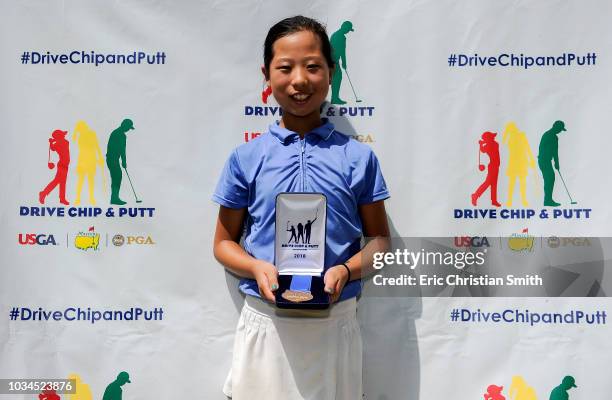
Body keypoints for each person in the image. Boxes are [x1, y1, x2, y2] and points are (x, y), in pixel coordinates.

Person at [213, 16, 390, 400]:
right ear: (267, 74)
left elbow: (379, 241)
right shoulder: (247, 158)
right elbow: (223, 243)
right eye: (285, 67)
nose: (299, 80)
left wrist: (346, 268)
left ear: (331, 72)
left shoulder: (358, 158)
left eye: (312, 66)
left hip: (335, 324)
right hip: (266, 322)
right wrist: (255, 267)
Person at [502, 122, 536, 207]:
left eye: (512, 128)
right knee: (512, 182)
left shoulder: (521, 135)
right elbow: (503, 144)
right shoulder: (509, 138)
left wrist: (531, 159)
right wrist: (506, 132)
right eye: (510, 129)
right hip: (513, 162)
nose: (512, 130)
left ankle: (523, 200)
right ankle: (509, 200)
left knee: (522, 182)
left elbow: (527, 147)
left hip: (521, 162)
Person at [73, 120, 104, 205]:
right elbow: (74, 140)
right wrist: (76, 131)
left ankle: (90, 198)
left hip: (90, 159)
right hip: (84, 159)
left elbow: (96, 145)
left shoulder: (91, 134)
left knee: (89, 179)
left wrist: (100, 157)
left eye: (80, 128)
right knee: (82, 179)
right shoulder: (80, 135)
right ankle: (79, 198)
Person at [106, 119, 135, 205]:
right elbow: (121, 149)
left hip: (113, 159)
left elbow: (122, 150)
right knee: (117, 176)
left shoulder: (118, 133)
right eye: (128, 128)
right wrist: (123, 161)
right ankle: (114, 198)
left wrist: (123, 161)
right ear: (124, 125)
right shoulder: (119, 134)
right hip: (112, 159)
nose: (128, 129)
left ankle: (114, 198)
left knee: (117, 177)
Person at [538, 120, 566, 207]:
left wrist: (556, 163)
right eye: (560, 129)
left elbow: (555, 151)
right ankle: (547, 201)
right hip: (544, 160)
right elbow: (543, 149)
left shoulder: (553, 136)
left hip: (546, 161)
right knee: (549, 179)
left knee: (550, 179)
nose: (560, 131)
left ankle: (548, 200)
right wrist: (554, 162)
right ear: (555, 127)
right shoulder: (548, 135)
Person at [39, 129, 70, 205]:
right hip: (62, 165)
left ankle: (61, 198)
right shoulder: (61, 143)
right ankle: (43, 193)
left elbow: (53, 148)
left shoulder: (63, 142)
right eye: (62, 135)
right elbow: (54, 147)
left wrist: (51, 142)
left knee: (62, 182)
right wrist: (53, 142)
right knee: (57, 181)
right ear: (60, 137)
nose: (64, 136)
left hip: (65, 165)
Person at [471, 131, 501, 207]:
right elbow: (483, 149)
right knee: (488, 183)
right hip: (493, 167)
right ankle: (475, 195)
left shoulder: (493, 144)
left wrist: (481, 144)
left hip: (496, 166)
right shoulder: (491, 144)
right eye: (492, 137)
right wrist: (482, 143)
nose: (493, 137)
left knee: (494, 184)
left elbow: (483, 150)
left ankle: (493, 200)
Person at [329, 21, 354, 104]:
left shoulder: (335, 34)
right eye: (348, 29)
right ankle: (335, 98)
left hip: (332, 60)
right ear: (344, 27)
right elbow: (342, 51)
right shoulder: (340, 37)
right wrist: (344, 62)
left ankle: (334, 98)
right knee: (337, 78)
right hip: (333, 61)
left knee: (336, 78)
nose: (348, 31)